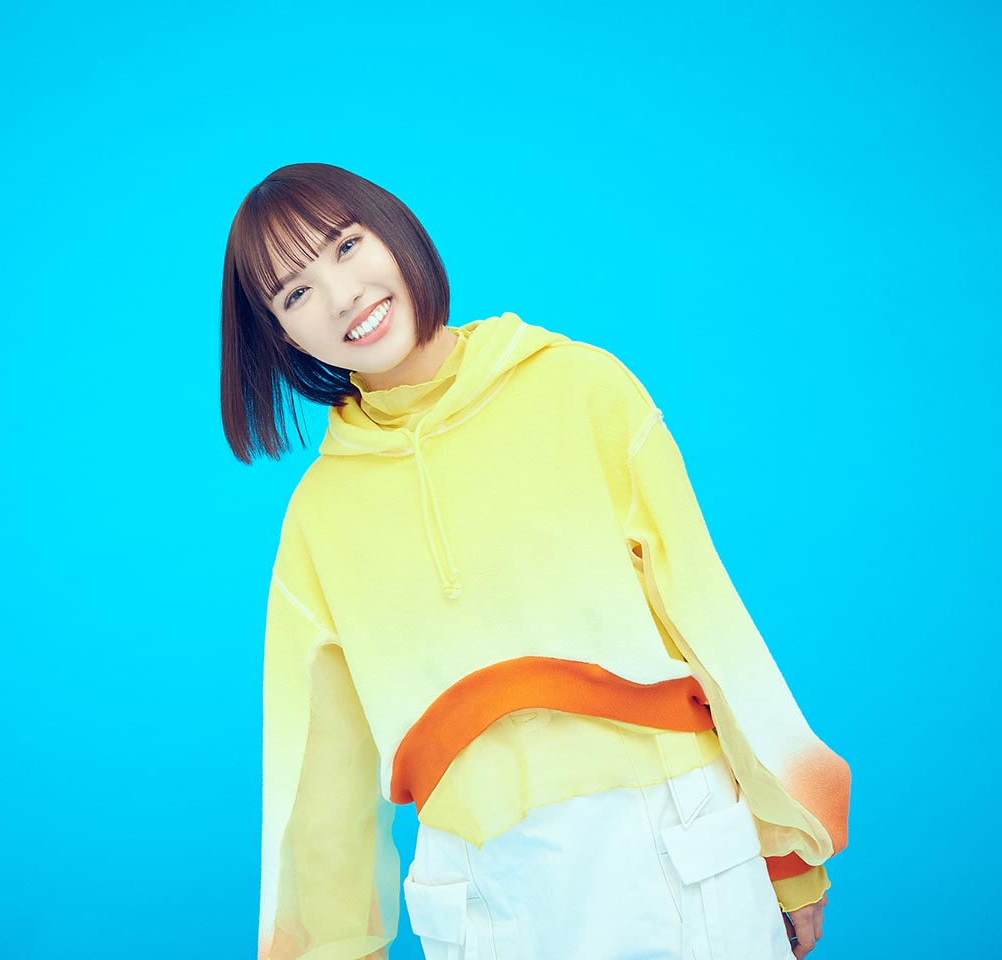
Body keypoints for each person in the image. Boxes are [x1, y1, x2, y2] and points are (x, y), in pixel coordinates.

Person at [220, 162, 850, 960]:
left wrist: (788, 849)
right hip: (485, 894)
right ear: (282, 335)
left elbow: (705, 615)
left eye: (347, 246)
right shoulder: (319, 518)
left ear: (396, 231)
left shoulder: (580, 387)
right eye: (296, 292)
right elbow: (320, 782)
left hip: (677, 839)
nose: (342, 296)